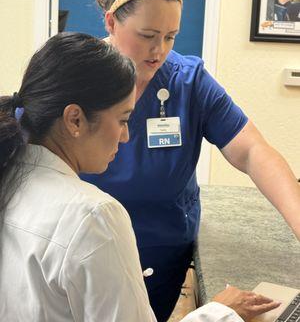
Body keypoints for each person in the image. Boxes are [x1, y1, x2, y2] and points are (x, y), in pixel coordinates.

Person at [81, 0, 300, 322]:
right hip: (90, 246)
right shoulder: (78, 77)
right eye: (147, 36)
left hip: (163, 249)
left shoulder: (189, 80)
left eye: (170, 37)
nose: (159, 50)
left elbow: (251, 151)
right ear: (111, 23)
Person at [0, 32, 280, 321]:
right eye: (122, 120)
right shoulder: (93, 217)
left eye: (171, 35)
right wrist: (222, 313)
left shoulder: (10, 178)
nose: (126, 136)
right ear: (75, 120)